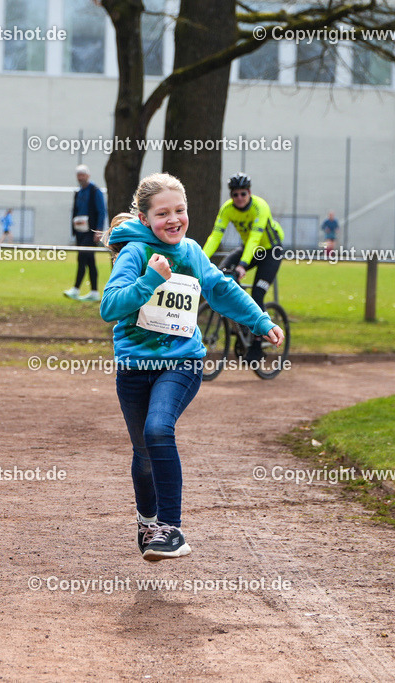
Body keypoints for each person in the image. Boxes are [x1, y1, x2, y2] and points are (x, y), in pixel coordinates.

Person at [100, 173, 283, 562]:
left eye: (180, 211)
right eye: (163, 213)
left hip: (182, 362)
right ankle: (148, 523)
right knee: (143, 452)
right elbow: (110, 306)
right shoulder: (134, 253)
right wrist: (151, 279)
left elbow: (222, 290)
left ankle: (170, 528)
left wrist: (260, 321)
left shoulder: (192, 252)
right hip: (134, 365)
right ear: (146, 218)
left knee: (158, 429)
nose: (174, 220)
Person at [202, 172, 285, 361]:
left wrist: (242, 266)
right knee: (219, 277)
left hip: (270, 251)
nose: (239, 198)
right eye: (235, 194)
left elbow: (256, 238)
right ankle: (241, 320)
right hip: (248, 248)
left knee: (257, 293)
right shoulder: (227, 209)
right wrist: (200, 259)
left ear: (249, 193)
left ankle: (257, 343)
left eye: (243, 194)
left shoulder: (259, 206)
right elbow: (216, 236)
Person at [63, 164, 106, 302]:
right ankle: (94, 292)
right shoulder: (78, 192)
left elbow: (101, 211)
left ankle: (76, 289)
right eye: (78, 175)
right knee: (90, 261)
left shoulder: (95, 191)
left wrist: (98, 230)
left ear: (88, 175)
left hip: (90, 231)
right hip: (80, 232)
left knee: (82, 258)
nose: (80, 178)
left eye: (82, 175)